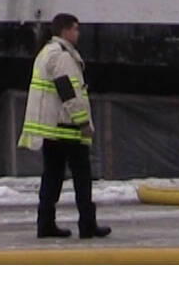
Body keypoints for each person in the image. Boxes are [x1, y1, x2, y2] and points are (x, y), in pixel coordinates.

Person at [19, 13, 111, 239]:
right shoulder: (62, 57)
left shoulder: (45, 53)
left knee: (52, 176)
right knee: (82, 176)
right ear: (65, 31)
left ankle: (46, 223)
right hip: (67, 127)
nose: (78, 33)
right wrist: (82, 123)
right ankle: (87, 224)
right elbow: (68, 92)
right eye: (75, 29)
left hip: (52, 129)